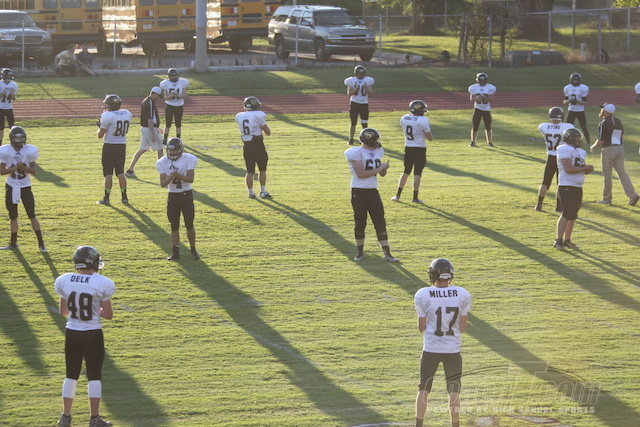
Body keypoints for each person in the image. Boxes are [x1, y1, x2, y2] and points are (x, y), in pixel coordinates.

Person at [54, 245, 114, 427]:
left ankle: (65, 417)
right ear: (92, 262)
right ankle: (94, 419)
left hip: (72, 332)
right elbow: (108, 314)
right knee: (94, 376)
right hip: (92, 333)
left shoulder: (64, 280)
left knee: (71, 375)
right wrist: (96, 310)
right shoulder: (102, 282)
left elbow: (64, 312)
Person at [414, 258, 471, 427]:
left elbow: (421, 327)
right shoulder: (462, 294)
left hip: (431, 349)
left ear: (433, 275)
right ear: (450, 275)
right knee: (454, 392)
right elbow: (462, 327)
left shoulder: (423, 294)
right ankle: (455, 425)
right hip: (452, 350)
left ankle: (419, 424)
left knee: (423, 389)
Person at [345, 128, 398, 262]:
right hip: (358, 191)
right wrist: (379, 168)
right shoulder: (355, 152)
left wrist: (383, 169)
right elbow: (361, 174)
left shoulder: (378, 151)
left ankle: (387, 253)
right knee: (360, 222)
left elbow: (381, 174)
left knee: (380, 222)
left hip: (373, 191)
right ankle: (360, 252)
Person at [0, 126, 46, 251]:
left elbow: (33, 171)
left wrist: (24, 168)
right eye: (16, 138)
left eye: (20, 138)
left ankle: (41, 243)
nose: (19, 141)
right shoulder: (5, 150)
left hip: (25, 186)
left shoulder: (30, 150)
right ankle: (13, 243)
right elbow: (1, 171)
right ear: (11, 138)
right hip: (11, 185)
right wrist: (15, 168)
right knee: (13, 216)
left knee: (31, 214)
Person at [156, 137, 200, 261]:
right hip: (173, 195)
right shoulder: (163, 162)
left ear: (180, 150)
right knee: (174, 226)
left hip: (186, 195)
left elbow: (191, 179)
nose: (171, 153)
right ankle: (175, 252)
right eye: (170, 150)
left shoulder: (188, 159)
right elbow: (162, 183)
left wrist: (177, 175)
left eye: (174, 150)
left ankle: (193, 249)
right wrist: (171, 177)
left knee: (189, 224)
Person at [589, 103, 639, 207]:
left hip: (609, 149)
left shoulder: (603, 123)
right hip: (619, 148)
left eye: (603, 109)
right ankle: (632, 195)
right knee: (622, 173)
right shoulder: (617, 121)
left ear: (605, 111)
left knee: (607, 175)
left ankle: (606, 198)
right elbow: (622, 135)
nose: (601, 111)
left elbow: (601, 140)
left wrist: (593, 146)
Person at [554, 128, 594, 250]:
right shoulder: (564, 148)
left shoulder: (580, 152)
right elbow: (568, 169)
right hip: (567, 185)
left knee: (573, 215)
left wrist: (587, 169)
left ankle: (567, 240)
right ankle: (558, 240)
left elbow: (580, 168)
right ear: (570, 138)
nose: (578, 140)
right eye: (576, 138)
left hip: (577, 186)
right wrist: (585, 168)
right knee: (566, 213)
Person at [392, 100, 433, 204]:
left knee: (406, 171)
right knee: (417, 173)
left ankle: (397, 195)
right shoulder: (423, 120)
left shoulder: (404, 118)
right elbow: (430, 138)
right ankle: (415, 197)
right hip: (419, 148)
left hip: (408, 147)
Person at [535, 106, 575, 212]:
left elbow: (545, 129)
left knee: (545, 182)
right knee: (560, 183)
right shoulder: (567, 126)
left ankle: (539, 205)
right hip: (561, 157)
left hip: (550, 157)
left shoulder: (543, 126)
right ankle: (558, 206)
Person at [97, 94, 132, 205]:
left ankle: (106, 198)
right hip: (121, 145)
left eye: (107, 104)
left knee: (108, 174)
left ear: (111, 105)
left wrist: (99, 128)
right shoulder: (127, 113)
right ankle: (124, 197)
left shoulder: (107, 115)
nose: (105, 106)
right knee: (120, 172)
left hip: (109, 146)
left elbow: (100, 135)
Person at [235, 96, 272, 199]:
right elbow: (268, 132)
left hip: (247, 145)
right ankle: (263, 191)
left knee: (249, 171)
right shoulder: (259, 115)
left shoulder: (239, 116)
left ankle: (251, 193)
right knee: (262, 169)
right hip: (258, 144)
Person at [125, 87, 163, 179]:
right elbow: (150, 119)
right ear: (154, 93)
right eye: (158, 96)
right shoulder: (149, 102)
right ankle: (163, 172)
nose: (158, 98)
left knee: (142, 149)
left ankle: (130, 170)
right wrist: (153, 133)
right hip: (149, 129)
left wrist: (156, 127)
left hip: (146, 128)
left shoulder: (147, 101)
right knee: (160, 149)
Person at [344, 65, 374, 145]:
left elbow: (371, 93)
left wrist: (366, 87)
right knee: (353, 123)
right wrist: (356, 89)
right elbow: (349, 94)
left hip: (364, 103)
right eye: (360, 74)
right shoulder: (351, 80)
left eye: (362, 73)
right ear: (356, 73)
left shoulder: (367, 80)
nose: (361, 75)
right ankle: (351, 139)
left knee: (364, 123)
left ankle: (365, 140)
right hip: (354, 103)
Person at [160, 68, 189, 144]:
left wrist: (179, 96)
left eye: (175, 76)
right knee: (168, 124)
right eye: (172, 76)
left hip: (179, 106)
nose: (174, 77)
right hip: (169, 106)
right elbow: (165, 97)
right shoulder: (165, 83)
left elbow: (185, 95)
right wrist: (171, 96)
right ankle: (165, 139)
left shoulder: (182, 82)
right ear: (169, 76)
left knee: (178, 125)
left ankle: (178, 140)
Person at [468, 72, 496, 147]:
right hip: (477, 109)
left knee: (488, 126)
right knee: (475, 126)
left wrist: (485, 98)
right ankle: (473, 142)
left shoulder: (490, 87)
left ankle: (489, 142)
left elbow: (491, 99)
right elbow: (472, 99)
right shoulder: (473, 87)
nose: (482, 82)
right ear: (478, 80)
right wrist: (478, 99)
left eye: (483, 81)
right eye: (480, 81)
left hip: (487, 109)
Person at [563, 72, 590, 143]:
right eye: (574, 80)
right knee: (568, 127)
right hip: (571, 110)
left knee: (584, 127)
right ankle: (566, 141)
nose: (575, 81)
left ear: (579, 80)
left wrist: (577, 101)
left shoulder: (583, 88)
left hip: (580, 110)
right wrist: (570, 100)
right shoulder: (567, 88)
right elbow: (565, 101)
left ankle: (588, 142)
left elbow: (585, 102)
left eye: (577, 80)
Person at [0, 68, 17, 146]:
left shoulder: (14, 84)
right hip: (0, 108)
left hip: (9, 108)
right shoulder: (0, 84)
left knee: (12, 127)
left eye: (9, 76)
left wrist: (13, 95)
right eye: (7, 76)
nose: (8, 78)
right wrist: (1, 94)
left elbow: (14, 99)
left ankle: (14, 142)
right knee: (1, 128)